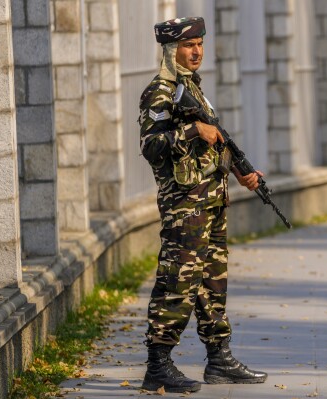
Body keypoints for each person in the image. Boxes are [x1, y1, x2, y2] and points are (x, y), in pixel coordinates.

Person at [138, 17, 267, 394]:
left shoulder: (192, 87)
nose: (196, 51)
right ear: (170, 49)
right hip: (184, 207)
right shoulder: (158, 92)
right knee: (177, 281)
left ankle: (220, 359)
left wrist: (240, 171)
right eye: (187, 45)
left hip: (210, 203)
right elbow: (150, 147)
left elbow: (211, 147)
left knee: (212, 282)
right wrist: (194, 130)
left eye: (199, 44)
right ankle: (158, 365)